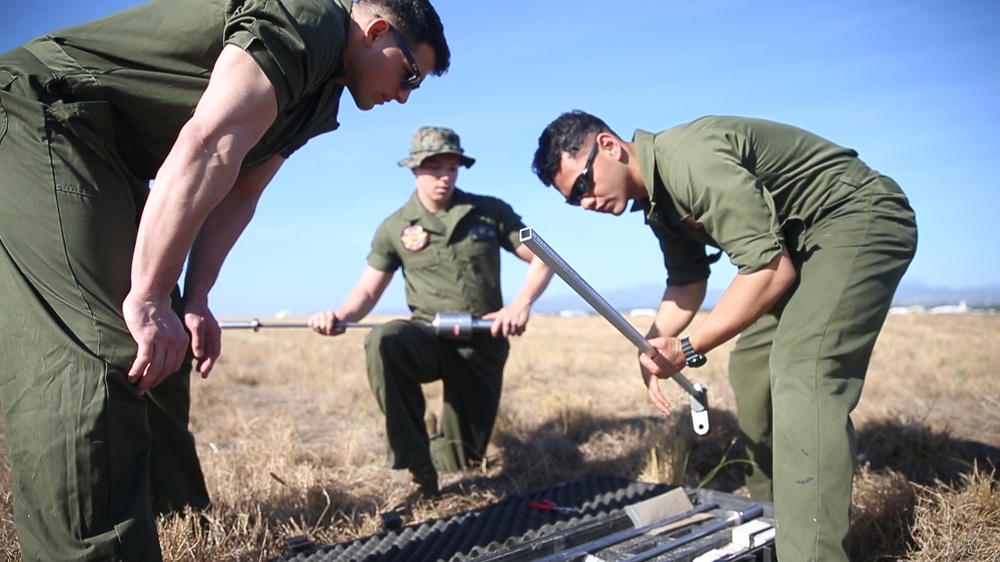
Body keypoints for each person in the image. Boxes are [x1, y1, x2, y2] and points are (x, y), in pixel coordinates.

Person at [0, 0, 450, 558]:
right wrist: (146, 294)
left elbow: (240, 191)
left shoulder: (321, 94)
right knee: (99, 349)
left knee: (166, 351)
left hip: (109, 155)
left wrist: (194, 299)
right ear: (376, 30)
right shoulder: (309, 21)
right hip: (41, 113)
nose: (405, 96)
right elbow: (210, 142)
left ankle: (174, 515)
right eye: (408, 75)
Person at [531, 111, 917, 562]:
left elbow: (771, 270)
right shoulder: (658, 204)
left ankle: (812, 552)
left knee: (802, 370)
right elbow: (687, 283)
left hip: (855, 217)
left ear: (610, 147)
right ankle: (776, 520)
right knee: (752, 368)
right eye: (573, 201)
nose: (586, 203)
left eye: (582, 186)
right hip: (797, 247)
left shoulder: (689, 159)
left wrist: (689, 347)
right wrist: (651, 346)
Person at [308, 126, 553, 500]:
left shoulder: (490, 212)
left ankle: (437, 436)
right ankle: (418, 469)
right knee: (385, 340)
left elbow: (544, 255)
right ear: (413, 169)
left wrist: (521, 303)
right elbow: (368, 289)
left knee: (462, 460)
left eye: (452, 167)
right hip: (428, 338)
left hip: (481, 344)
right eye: (434, 167)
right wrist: (339, 316)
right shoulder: (393, 227)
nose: (444, 177)